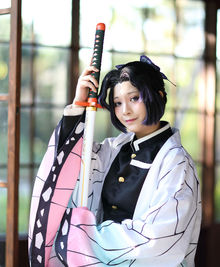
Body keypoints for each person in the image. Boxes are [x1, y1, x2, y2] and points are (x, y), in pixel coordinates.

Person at [28, 55, 201, 267]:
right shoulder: (114, 149)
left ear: (158, 96)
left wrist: (85, 236)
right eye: (118, 103)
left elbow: (161, 237)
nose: (125, 110)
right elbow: (71, 162)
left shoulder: (176, 163)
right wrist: (78, 106)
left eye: (134, 98)